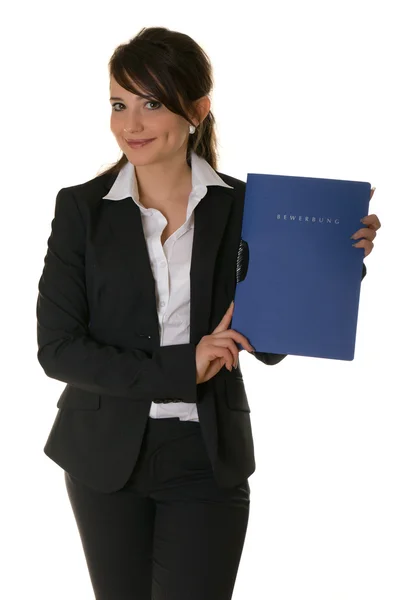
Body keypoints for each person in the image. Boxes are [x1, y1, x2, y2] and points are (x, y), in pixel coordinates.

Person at [36, 26, 381, 600]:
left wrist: (338, 263)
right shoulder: (82, 210)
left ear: (198, 109)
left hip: (206, 453)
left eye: (151, 103)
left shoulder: (248, 208)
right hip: (101, 453)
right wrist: (183, 366)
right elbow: (58, 349)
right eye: (119, 104)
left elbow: (267, 342)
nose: (131, 124)